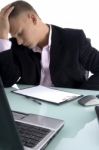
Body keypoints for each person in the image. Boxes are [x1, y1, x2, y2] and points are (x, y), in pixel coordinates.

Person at [0, 0, 99, 90]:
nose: (19, 41)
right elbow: (7, 81)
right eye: (14, 36)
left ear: (33, 19)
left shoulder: (74, 39)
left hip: (68, 106)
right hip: (30, 106)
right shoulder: (15, 45)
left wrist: (81, 94)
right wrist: (3, 38)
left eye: (20, 33)